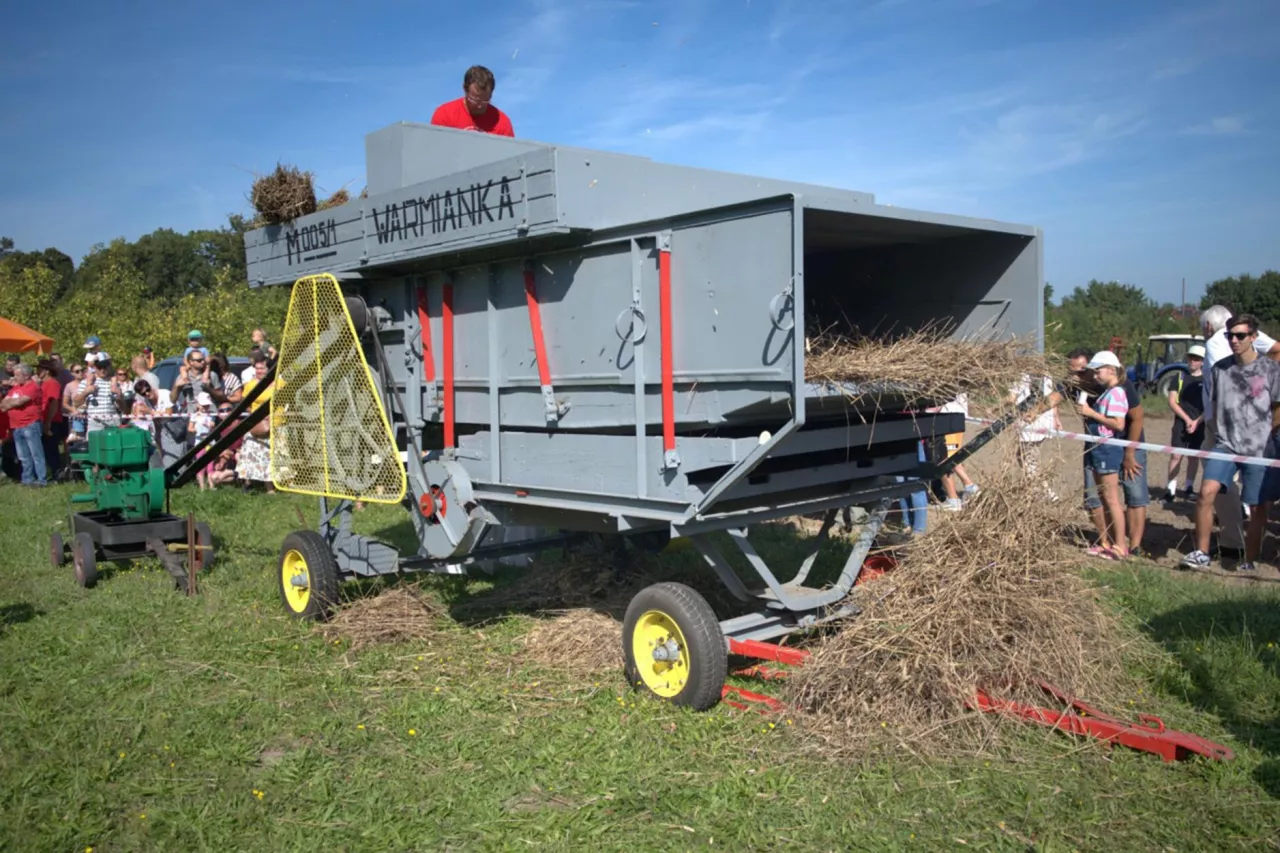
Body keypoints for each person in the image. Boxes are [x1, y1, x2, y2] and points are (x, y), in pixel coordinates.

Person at [1181, 314, 1280, 572]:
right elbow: (1213, 405)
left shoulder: (1271, 369)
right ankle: (1201, 553)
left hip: (1259, 448)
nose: (1234, 341)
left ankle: (1249, 560)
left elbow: (1278, 407)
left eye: (1240, 336)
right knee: (1205, 494)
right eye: (1230, 336)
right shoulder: (1219, 369)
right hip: (1225, 445)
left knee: (1257, 507)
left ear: (1254, 338)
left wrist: (1269, 431)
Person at [1077, 351, 1130, 559]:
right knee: (1103, 497)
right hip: (1098, 448)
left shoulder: (1117, 393)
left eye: (1098, 370)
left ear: (1111, 370)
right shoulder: (1107, 393)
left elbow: (1118, 424)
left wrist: (1092, 414)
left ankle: (1120, 545)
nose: (1096, 375)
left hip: (1108, 449)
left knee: (1111, 498)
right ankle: (1106, 542)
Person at [1164, 344, 1206, 504]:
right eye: (1190, 358)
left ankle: (1189, 487)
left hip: (1200, 424)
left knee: (1194, 457)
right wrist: (1188, 420)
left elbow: (1210, 405)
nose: (1192, 361)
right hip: (1181, 423)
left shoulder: (1207, 380)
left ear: (1202, 361)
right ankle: (1171, 488)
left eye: (1196, 359)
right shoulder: (1179, 377)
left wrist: (1197, 421)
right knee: (1176, 455)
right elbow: (1172, 401)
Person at [1009, 371, 1061, 497]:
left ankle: (1044, 492)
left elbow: (1011, 398)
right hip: (1043, 419)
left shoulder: (1020, 374)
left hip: (1029, 420)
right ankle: (1038, 489)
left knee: (1027, 458)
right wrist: (1055, 418)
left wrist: (994, 408)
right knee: (1027, 457)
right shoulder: (1047, 374)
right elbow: (1054, 398)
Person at [430, 65, 515, 137]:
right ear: (464, 89)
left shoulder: (503, 123)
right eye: (474, 100)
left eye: (486, 100)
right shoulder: (445, 114)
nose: (480, 106)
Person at [1, 364, 47, 487]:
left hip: (30, 424)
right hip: (16, 426)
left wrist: (11, 403)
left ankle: (41, 479)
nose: (14, 378)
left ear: (26, 375)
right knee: (23, 456)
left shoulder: (32, 387)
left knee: (36, 454)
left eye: (17, 375)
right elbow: (3, 404)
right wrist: (13, 403)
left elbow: (21, 401)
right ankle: (27, 479)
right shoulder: (15, 389)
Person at [36, 360, 64, 479]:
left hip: (52, 420)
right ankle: (52, 472)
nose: (37, 371)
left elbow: (53, 403)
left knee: (51, 448)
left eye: (39, 369)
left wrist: (47, 422)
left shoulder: (52, 383)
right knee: (46, 448)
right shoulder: (43, 383)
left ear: (46, 371)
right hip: (44, 418)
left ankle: (57, 473)